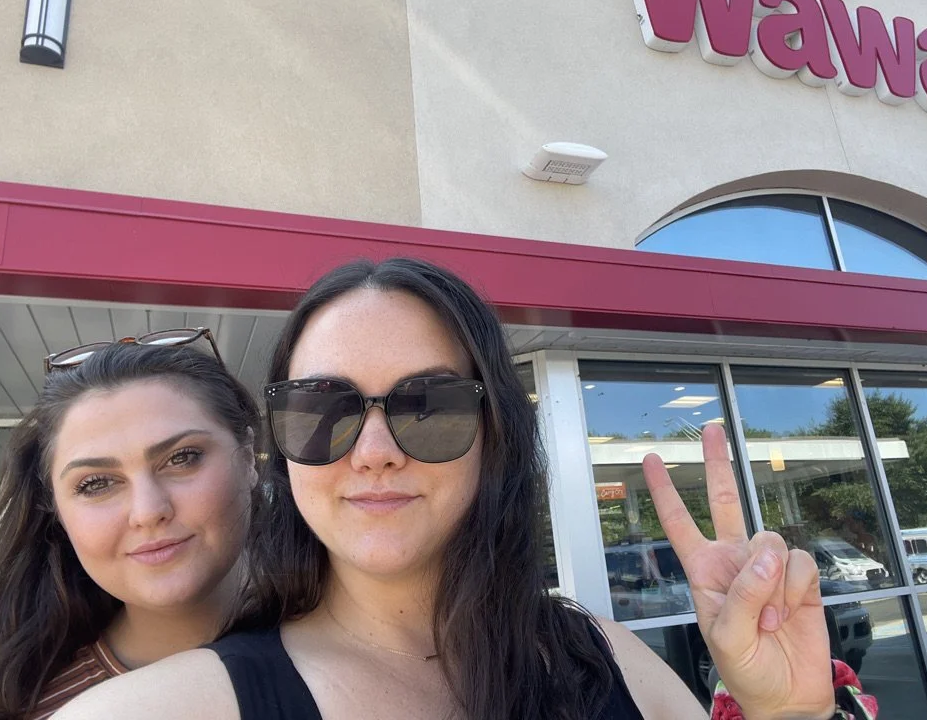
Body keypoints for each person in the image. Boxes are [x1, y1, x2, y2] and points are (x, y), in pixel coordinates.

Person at [56, 259, 876, 720]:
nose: (374, 451)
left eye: (430, 405)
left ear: (496, 439)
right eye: (324, 410)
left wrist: (792, 716)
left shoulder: (604, 661)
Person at [0, 334, 260, 720]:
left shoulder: (357, 641)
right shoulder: (38, 709)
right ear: (56, 510)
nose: (147, 511)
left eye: (182, 458)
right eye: (96, 483)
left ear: (248, 459)